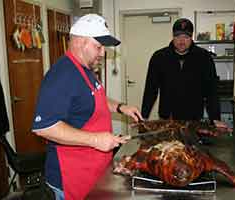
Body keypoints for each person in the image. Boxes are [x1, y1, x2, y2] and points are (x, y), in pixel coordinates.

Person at [32, 14, 143, 200]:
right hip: (71, 178)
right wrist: (96, 140)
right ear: (79, 42)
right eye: (98, 47)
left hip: (93, 172)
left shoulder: (85, 69)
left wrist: (121, 107)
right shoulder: (62, 75)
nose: (103, 53)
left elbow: (93, 97)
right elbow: (44, 127)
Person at [141, 18, 223, 125]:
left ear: (191, 37)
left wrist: (215, 118)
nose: (181, 41)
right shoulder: (159, 57)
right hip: (167, 117)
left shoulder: (204, 57)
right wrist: (144, 116)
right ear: (173, 37)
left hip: (194, 118)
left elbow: (211, 90)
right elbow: (150, 89)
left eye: (186, 37)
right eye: (178, 36)